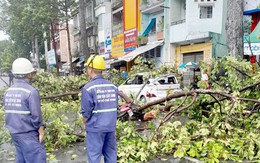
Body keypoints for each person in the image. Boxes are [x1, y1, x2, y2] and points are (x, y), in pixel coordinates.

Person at [3, 58, 46, 163]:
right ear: (29, 74)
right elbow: (36, 117)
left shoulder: (8, 91)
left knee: (21, 159)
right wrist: (41, 131)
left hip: (15, 134)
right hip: (29, 135)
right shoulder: (31, 91)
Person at [81, 55, 118, 163]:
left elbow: (86, 113)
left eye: (87, 68)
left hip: (95, 129)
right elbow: (115, 107)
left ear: (90, 69)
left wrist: (84, 124)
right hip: (110, 128)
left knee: (94, 157)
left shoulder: (88, 88)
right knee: (111, 156)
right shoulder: (113, 87)